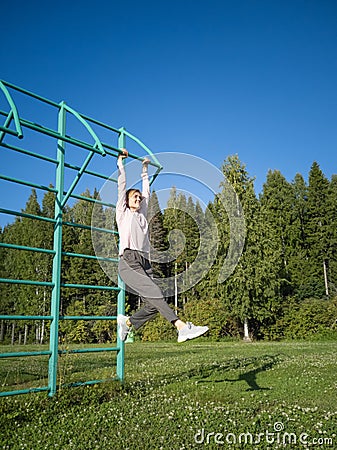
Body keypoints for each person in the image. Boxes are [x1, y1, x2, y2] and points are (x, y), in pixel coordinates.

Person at [116, 149, 209, 343]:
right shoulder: (123, 213)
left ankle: (128, 323)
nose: (138, 198)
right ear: (126, 201)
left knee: (154, 303)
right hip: (128, 259)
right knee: (156, 294)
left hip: (144, 260)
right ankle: (181, 327)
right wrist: (120, 163)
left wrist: (144, 169)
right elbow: (122, 186)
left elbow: (147, 192)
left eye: (139, 197)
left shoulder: (142, 214)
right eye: (134, 197)